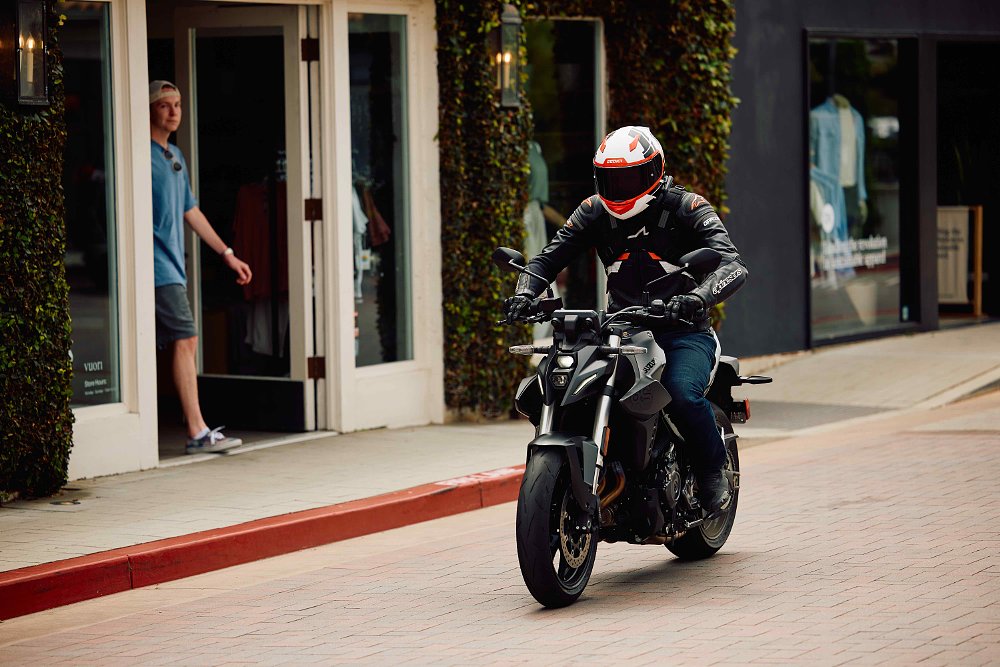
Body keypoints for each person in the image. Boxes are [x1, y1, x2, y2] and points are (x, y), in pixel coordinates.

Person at [503, 126, 749, 512]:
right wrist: (524, 293)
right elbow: (547, 260)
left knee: (682, 394)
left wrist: (697, 297)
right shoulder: (593, 210)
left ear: (655, 171)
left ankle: (712, 470)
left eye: (629, 178)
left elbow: (732, 264)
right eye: (610, 179)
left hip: (682, 332)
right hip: (619, 331)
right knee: (556, 388)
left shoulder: (687, 207)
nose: (619, 189)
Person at [149, 80, 253, 454]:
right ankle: (197, 430)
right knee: (187, 337)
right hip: (154, 266)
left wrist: (228, 254)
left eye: (177, 104)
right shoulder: (138, 154)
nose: (174, 111)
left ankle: (194, 428)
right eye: (165, 105)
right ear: (150, 110)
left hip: (173, 266)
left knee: (180, 340)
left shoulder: (174, 155)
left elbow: (190, 210)